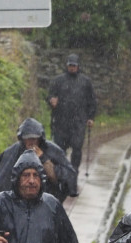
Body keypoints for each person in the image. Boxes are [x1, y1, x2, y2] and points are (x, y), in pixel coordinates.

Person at [0, 118, 77, 203]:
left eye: (34, 139)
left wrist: (44, 159)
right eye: (28, 139)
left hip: (46, 202)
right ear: (22, 139)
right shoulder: (12, 153)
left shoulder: (52, 151)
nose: (31, 142)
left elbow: (69, 177)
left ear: (39, 139)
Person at [46, 53, 97, 197]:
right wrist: (51, 100)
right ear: (67, 65)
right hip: (61, 123)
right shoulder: (58, 81)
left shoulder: (85, 82)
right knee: (60, 152)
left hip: (78, 123)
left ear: (78, 66)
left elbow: (92, 100)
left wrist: (91, 117)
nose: (72, 68)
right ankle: (61, 180)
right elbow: (49, 95)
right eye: (70, 65)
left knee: (76, 149)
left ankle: (73, 177)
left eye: (74, 65)